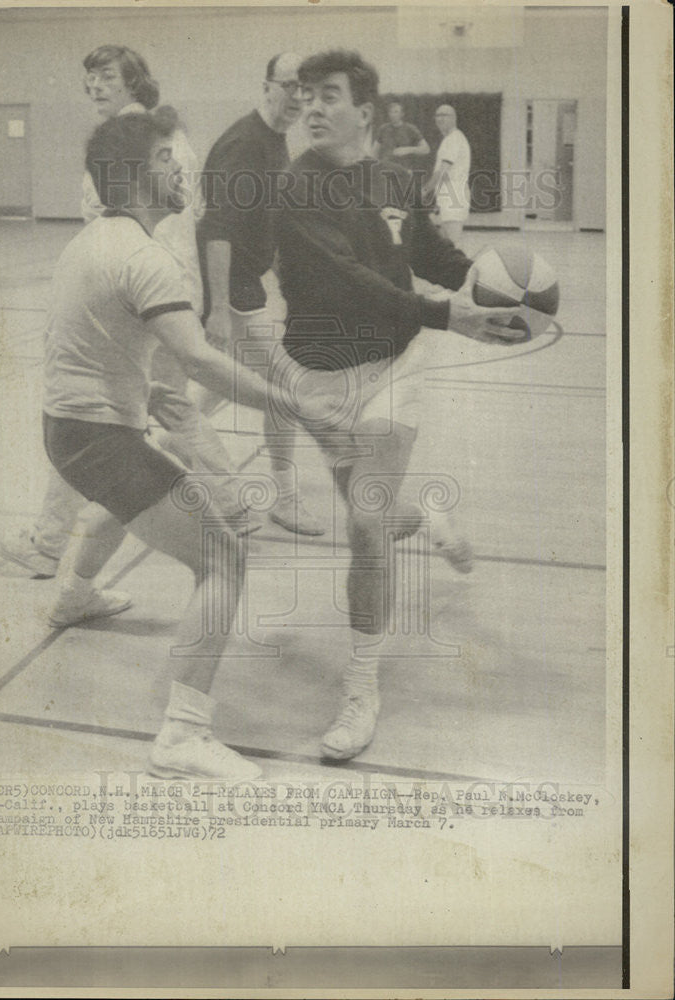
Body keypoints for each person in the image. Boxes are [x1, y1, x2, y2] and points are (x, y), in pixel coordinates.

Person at [43, 112, 335, 778]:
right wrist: (294, 404)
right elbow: (198, 360)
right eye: (170, 158)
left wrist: (157, 416)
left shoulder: (90, 239)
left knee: (138, 489)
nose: (184, 169)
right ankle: (182, 734)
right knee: (224, 559)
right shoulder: (144, 257)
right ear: (141, 172)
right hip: (97, 437)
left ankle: (72, 595)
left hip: (69, 430)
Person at [275, 50, 520, 761]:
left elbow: (435, 258)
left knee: (362, 524)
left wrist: (498, 284)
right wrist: (453, 317)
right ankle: (431, 519)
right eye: (306, 96)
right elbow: (346, 279)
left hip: (395, 366)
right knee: (376, 514)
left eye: (329, 95)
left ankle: (360, 688)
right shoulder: (295, 187)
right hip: (317, 378)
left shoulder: (395, 179)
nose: (314, 107)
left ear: (366, 111)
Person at [0, 45, 250, 625]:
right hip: (138, 294)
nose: (95, 87)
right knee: (128, 431)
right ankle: (64, 555)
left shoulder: (145, 140)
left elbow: (182, 224)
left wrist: (201, 306)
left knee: (121, 428)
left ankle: (51, 544)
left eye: (106, 76)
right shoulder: (131, 137)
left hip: (150, 299)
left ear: (133, 78)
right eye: (87, 80)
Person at [197, 52, 324, 537]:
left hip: (244, 287)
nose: (297, 97)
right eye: (289, 86)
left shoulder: (275, 141)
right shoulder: (245, 144)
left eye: (304, 90)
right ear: (267, 85)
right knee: (281, 392)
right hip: (229, 294)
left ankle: (167, 438)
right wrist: (216, 310)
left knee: (202, 396)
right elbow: (218, 229)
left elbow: (263, 222)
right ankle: (283, 498)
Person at [425, 104, 471, 247]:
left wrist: (425, 191)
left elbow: (442, 171)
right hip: (448, 195)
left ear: (454, 118)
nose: (440, 119)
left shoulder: (454, 139)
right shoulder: (450, 139)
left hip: (454, 195)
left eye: (444, 115)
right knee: (446, 244)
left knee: (452, 244)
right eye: (437, 115)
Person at [373, 99, 429, 173]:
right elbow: (374, 151)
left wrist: (407, 149)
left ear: (402, 114)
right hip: (386, 171)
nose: (393, 114)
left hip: (404, 171)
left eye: (396, 112)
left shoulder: (410, 128)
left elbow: (426, 149)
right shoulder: (383, 128)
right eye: (391, 112)